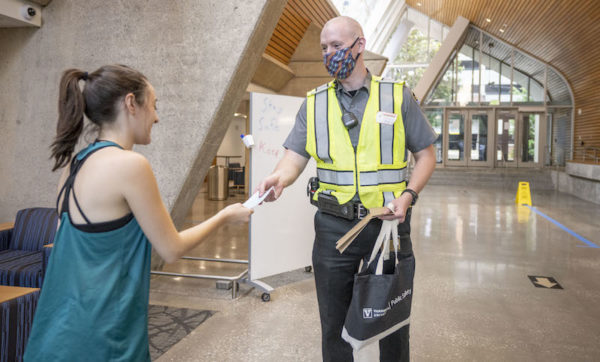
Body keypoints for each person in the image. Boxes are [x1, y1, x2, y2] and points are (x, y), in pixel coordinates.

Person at [24, 64, 253, 361]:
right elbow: (171, 249)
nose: (156, 116)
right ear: (131, 103)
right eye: (154, 105)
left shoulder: (74, 164)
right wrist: (225, 215)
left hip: (57, 329)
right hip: (104, 334)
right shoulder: (130, 166)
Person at [258, 16, 437, 361]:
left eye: (337, 46)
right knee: (333, 324)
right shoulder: (314, 103)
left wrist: (409, 195)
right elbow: (293, 158)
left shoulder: (397, 96)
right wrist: (279, 177)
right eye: (324, 48)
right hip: (333, 228)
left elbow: (426, 155)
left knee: (393, 321)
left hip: (388, 227)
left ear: (360, 44)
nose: (329, 54)